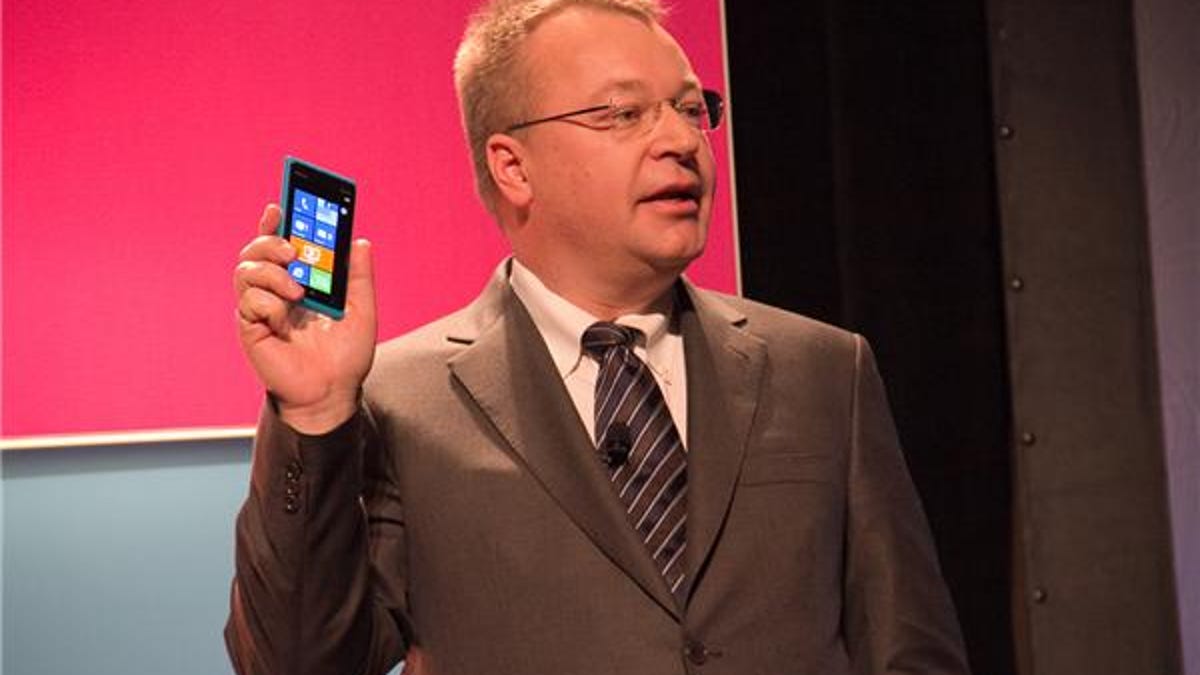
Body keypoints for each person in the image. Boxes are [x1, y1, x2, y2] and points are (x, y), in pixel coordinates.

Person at [226, 0, 971, 673]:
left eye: (691, 108)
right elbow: (296, 663)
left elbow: (911, 652)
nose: (681, 140)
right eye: (623, 114)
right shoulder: (401, 400)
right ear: (513, 166)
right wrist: (316, 414)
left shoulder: (824, 371)